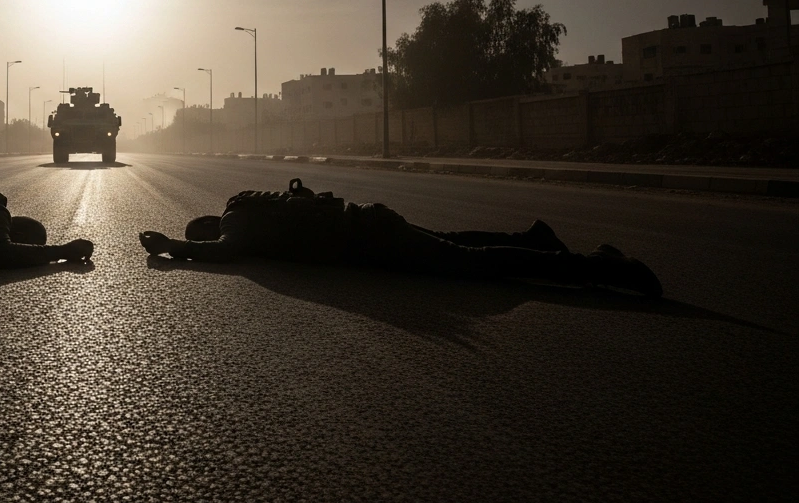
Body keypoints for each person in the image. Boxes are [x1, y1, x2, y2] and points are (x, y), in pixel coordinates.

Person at [138, 178, 663, 297]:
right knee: (451, 241)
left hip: (371, 238)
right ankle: (536, 238)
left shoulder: (238, 222)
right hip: (370, 224)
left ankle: (605, 266)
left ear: (210, 222)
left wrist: (174, 247)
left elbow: (225, 252)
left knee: (472, 263)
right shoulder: (258, 204)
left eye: (203, 231)